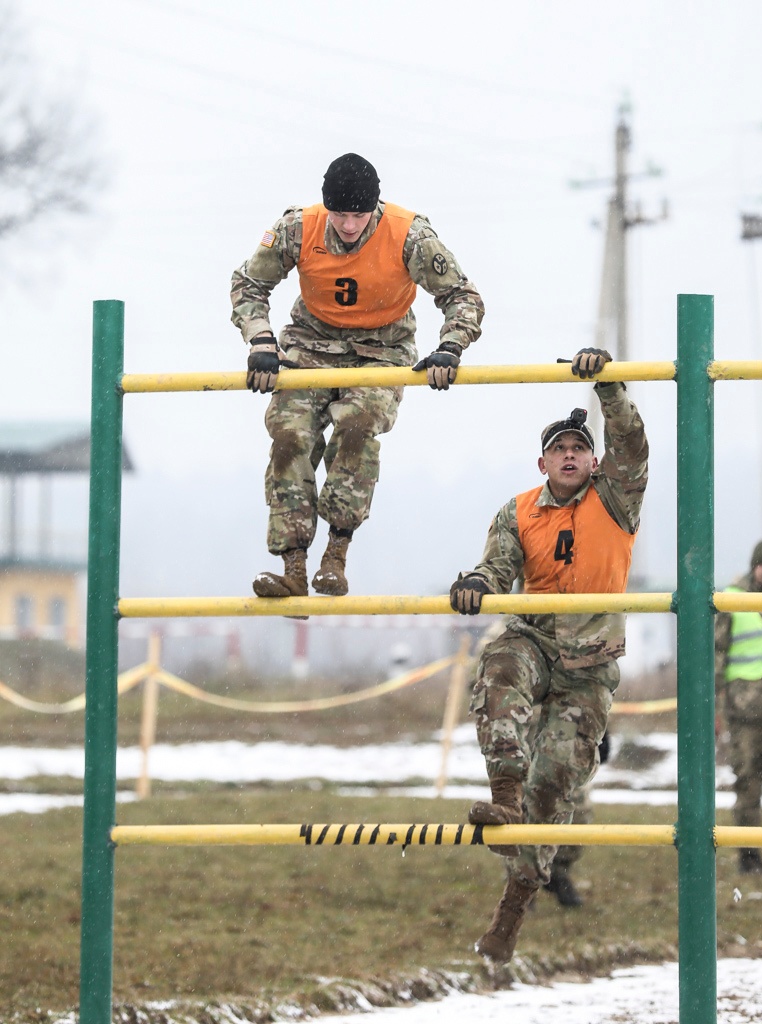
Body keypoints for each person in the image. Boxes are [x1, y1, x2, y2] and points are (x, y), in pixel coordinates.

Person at [450, 346, 648, 964]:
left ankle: (513, 909)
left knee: (558, 781)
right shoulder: (518, 510)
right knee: (500, 665)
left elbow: (632, 444)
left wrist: (609, 386)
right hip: (535, 637)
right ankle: (504, 791)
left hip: (589, 660)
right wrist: (478, 582)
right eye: (558, 448)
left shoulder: (616, 499)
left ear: (593, 461)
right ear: (543, 462)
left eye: (578, 448)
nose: (569, 455)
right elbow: (498, 565)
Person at [230, 153, 484, 599]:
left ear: (375, 209)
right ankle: (293, 567)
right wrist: (261, 341)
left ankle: (336, 554)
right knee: (289, 436)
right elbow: (249, 283)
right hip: (310, 344)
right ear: (327, 208)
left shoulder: (410, 235)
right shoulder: (298, 228)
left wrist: (450, 346)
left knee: (357, 425)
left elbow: (462, 296)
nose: (349, 226)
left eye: (359, 216)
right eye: (340, 215)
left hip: (381, 350)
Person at [470, 623, 610, 909]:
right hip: (521, 730)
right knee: (521, 806)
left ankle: (558, 871)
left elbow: (593, 676)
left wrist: (604, 727)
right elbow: (486, 678)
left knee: (575, 807)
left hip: (565, 725)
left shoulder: (574, 621)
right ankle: (521, 878)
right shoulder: (504, 628)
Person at [715, 538, 762, 876]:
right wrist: (713, 707)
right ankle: (749, 858)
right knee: (748, 783)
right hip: (745, 712)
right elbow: (716, 655)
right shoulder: (731, 600)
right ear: (753, 567)